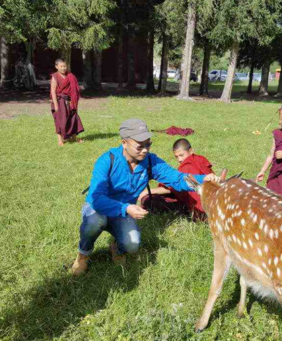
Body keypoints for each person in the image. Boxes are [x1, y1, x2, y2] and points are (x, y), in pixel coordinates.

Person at [72, 119, 219, 275]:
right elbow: (96, 198)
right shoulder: (107, 161)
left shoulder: (150, 161)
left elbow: (176, 178)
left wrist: (204, 180)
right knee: (95, 221)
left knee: (133, 244)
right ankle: (83, 254)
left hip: (124, 213)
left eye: (148, 145)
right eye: (140, 146)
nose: (145, 150)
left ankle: (117, 248)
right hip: (102, 208)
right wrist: (126, 207)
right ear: (124, 143)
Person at [140, 138, 213, 220]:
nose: (179, 159)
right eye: (176, 157)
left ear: (191, 150)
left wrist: (149, 191)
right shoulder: (201, 158)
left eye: (181, 155)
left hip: (199, 208)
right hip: (213, 202)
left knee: (148, 200)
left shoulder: (187, 166)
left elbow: (174, 186)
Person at [50, 58, 84, 146]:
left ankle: (74, 137)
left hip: (70, 101)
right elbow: (53, 91)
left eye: (65, 66)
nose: (63, 68)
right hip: (60, 101)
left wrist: (74, 101)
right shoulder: (55, 76)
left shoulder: (70, 76)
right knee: (60, 120)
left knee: (73, 118)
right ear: (56, 67)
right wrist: (56, 105)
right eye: (61, 66)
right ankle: (60, 140)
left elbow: (74, 90)